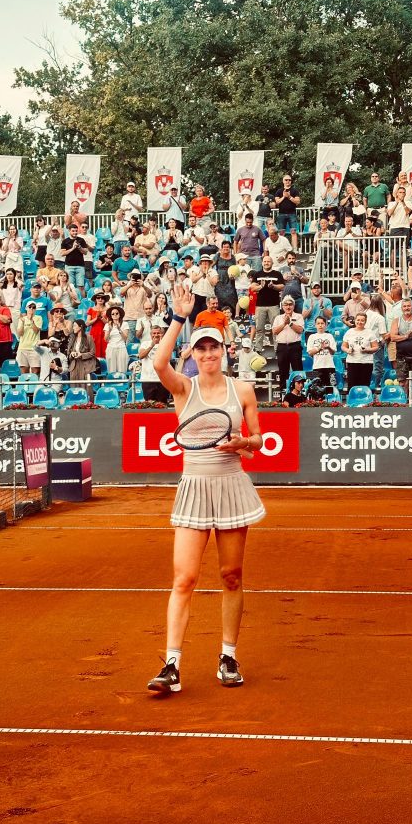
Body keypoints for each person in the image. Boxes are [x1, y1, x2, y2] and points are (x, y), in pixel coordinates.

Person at [146, 284, 265, 695]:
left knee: (231, 576)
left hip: (231, 484)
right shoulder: (183, 387)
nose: (208, 354)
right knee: (185, 578)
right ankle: (172, 665)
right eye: (201, 349)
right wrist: (178, 318)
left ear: (224, 351)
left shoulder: (242, 389)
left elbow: (259, 439)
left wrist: (243, 442)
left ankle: (228, 656)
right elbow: (158, 362)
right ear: (193, 354)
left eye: (214, 347)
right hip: (194, 486)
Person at [389, 299, 412, 390]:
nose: (407, 308)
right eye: (404, 306)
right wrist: (406, 336)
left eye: (408, 306)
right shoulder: (396, 321)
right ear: (401, 308)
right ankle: (404, 399)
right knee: (402, 383)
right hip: (401, 357)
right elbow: (393, 337)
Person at [271, 297, 304, 390]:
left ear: (293, 306)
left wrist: (290, 323)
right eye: (286, 305)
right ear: (282, 306)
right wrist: (284, 324)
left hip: (295, 346)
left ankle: (299, 393)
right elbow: (274, 331)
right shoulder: (278, 318)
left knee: (298, 371)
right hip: (282, 347)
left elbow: (300, 330)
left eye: (290, 304)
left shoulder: (299, 316)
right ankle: (283, 394)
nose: (288, 307)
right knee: (283, 371)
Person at [341, 311, 379, 389]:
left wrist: (367, 350)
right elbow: (343, 346)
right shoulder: (349, 332)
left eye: (362, 320)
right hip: (352, 362)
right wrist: (348, 350)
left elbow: (376, 347)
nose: (360, 322)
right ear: (355, 320)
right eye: (358, 320)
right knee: (352, 386)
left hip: (366, 362)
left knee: (364, 386)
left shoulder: (370, 332)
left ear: (365, 322)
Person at [138, 325, 170, 403]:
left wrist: (161, 344)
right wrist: (151, 346)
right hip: (147, 379)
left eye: (158, 333)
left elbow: (167, 358)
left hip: (162, 379)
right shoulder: (145, 343)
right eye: (154, 333)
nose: (156, 335)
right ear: (150, 334)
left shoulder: (166, 344)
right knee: (149, 404)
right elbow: (141, 356)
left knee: (162, 404)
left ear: (162, 334)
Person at [306, 316, 337, 388]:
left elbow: (333, 352)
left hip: (329, 366)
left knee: (330, 389)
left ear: (326, 325)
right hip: (317, 366)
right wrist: (319, 348)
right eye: (318, 323)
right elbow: (310, 353)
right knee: (317, 389)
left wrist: (328, 347)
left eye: (322, 323)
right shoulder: (312, 337)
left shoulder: (330, 336)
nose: (320, 325)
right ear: (315, 325)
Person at [273, 174, 301, 250]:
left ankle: (294, 250)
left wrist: (289, 197)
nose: (288, 181)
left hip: (292, 214)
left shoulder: (294, 190)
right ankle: (281, 249)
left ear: (291, 181)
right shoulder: (279, 191)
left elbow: (298, 201)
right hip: (281, 214)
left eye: (289, 180)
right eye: (286, 180)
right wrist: (283, 196)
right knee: (281, 233)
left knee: (293, 232)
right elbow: (277, 202)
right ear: (283, 181)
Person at [16, 302, 43, 374]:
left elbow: (36, 331)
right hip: (22, 348)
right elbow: (20, 333)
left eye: (34, 307)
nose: (31, 309)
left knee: (36, 371)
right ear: (26, 308)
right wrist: (22, 323)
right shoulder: (22, 319)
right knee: (24, 372)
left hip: (34, 348)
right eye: (30, 307)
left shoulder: (39, 318)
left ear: (35, 309)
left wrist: (31, 320)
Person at [104, 305, 129, 375]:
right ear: (111, 316)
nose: (115, 315)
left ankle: (123, 381)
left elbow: (125, 338)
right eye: (113, 314)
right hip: (111, 348)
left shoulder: (125, 324)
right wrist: (109, 330)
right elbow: (106, 339)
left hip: (121, 348)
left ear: (119, 314)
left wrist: (119, 329)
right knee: (111, 370)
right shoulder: (107, 325)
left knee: (122, 370)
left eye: (116, 313)